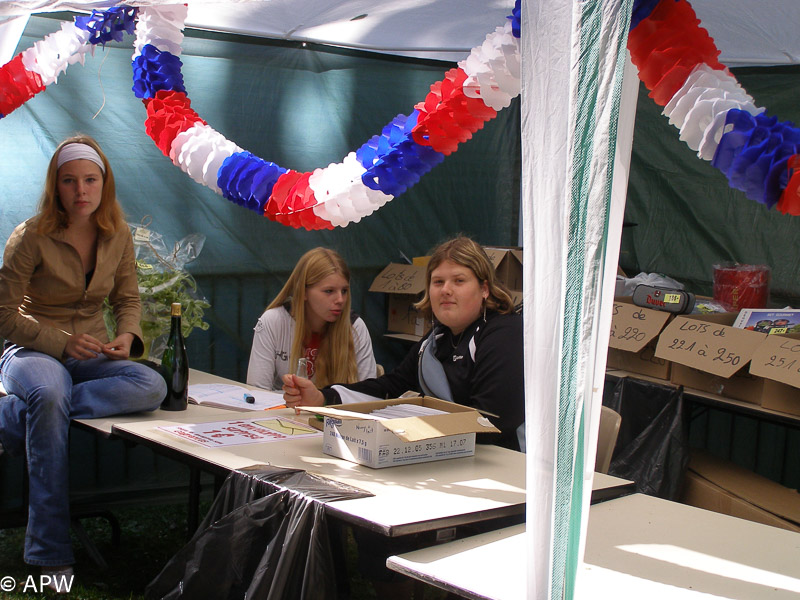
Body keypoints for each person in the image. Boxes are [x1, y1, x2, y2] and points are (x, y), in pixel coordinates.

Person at [0, 135, 167, 581]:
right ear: (56, 186)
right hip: (31, 350)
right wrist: (58, 342)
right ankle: (48, 550)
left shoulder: (118, 235)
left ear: (104, 184)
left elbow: (127, 299)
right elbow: (2, 314)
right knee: (49, 389)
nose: (81, 191)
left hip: (92, 350)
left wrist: (128, 336)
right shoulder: (31, 236)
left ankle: (21, 414)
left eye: (90, 180)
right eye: (70, 181)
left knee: (152, 384)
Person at [283, 235, 525, 450]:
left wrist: (412, 427)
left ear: (484, 289)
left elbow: (491, 421)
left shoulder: (504, 333)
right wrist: (323, 398)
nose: (446, 290)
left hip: (504, 467)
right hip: (452, 456)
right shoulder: (435, 340)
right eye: (438, 282)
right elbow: (392, 386)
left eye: (459, 281)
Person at [246, 247, 376, 391]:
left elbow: (368, 395)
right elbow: (257, 393)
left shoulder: (355, 327)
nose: (340, 300)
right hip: (282, 411)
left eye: (344, 291)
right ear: (303, 291)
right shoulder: (273, 321)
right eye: (329, 291)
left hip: (335, 412)